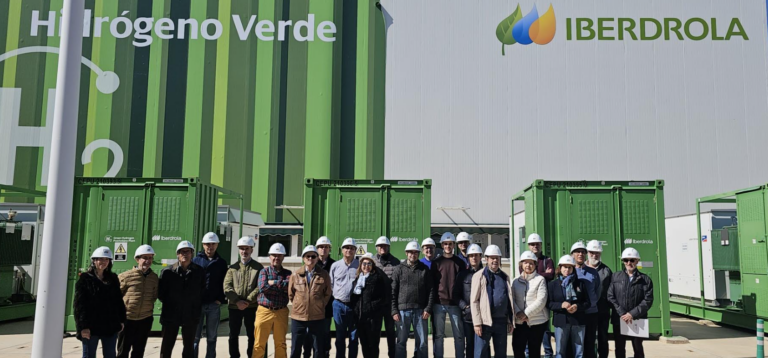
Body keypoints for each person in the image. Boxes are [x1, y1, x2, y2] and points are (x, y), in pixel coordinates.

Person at [74, 246, 127, 358]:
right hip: (91, 326)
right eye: (100, 259)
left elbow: (118, 301)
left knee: (110, 355)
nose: (104, 262)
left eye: (106, 259)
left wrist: (121, 320)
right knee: (89, 355)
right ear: (94, 260)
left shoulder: (113, 278)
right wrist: (83, 327)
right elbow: (79, 305)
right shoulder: (85, 279)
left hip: (110, 325)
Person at [159, 240, 205, 358]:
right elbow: (161, 294)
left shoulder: (199, 271)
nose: (185, 254)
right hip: (171, 315)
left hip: (191, 314)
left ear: (192, 253)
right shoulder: (167, 272)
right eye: (182, 252)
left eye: (187, 251)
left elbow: (202, 291)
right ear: (177, 254)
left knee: (189, 347)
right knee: (167, 346)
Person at [608, 248, 654, 358]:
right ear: (623, 261)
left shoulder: (645, 280)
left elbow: (648, 300)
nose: (629, 263)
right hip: (620, 319)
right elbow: (610, 296)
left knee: (638, 348)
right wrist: (622, 313)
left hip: (637, 319)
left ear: (637, 261)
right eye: (626, 260)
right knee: (619, 348)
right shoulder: (615, 277)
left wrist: (632, 314)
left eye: (632, 260)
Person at [392, 241, 435, 358]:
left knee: (422, 343)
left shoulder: (424, 269)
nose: (413, 255)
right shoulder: (398, 269)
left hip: (420, 311)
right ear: (406, 253)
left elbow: (431, 291)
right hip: (402, 311)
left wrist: (428, 309)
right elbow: (393, 292)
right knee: (401, 342)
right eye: (410, 252)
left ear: (418, 254)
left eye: (415, 252)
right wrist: (394, 310)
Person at [470, 245, 514, 358]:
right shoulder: (478, 276)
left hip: (501, 322)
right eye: (492, 258)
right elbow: (474, 301)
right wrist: (477, 323)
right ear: (486, 259)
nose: (495, 260)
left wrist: (510, 321)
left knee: (501, 354)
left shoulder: (505, 277)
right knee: (480, 354)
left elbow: (509, 300)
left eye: (497, 258)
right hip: (484, 323)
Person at [223, 236, 264, 358]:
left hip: (251, 307)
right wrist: (237, 301)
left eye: (247, 248)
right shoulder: (232, 268)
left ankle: (251, 355)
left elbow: (260, 286)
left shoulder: (258, 267)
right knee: (233, 334)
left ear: (252, 250)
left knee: (252, 335)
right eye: (241, 248)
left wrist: (246, 301)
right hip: (234, 308)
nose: (244, 251)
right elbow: (227, 286)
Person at [289, 245, 333, 358]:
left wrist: (321, 304)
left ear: (317, 258)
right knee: (296, 348)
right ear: (303, 258)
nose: (310, 259)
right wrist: (300, 305)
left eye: (313, 256)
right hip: (298, 317)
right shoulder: (295, 274)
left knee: (318, 348)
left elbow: (327, 293)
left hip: (317, 317)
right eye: (308, 256)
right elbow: (291, 294)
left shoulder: (324, 274)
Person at [117, 244, 158, 358]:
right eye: (145, 257)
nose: (147, 261)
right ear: (137, 259)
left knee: (139, 352)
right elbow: (116, 298)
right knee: (122, 352)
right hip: (127, 320)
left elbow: (154, 296)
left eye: (150, 258)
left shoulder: (154, 278)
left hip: (145, 320)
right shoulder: (125, 277)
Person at [253, 243, 292, 358]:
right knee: (259, 344)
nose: (276, 258)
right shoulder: (263, 272)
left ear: (283, 257)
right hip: (264, 311)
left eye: (279, 255)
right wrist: (281, 287)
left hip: (281, 311)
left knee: (281, 344)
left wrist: (273, 283)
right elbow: (263, 288)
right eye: (274, 255)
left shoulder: (288, 273)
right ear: (269, 256)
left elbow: (289, 286)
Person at [431, 232, 466, 358]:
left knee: (459, 336)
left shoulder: (460, 263)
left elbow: (463, 284)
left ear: (453, 245)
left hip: (455, 304)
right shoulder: (436, 263)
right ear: (442, 245)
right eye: (445, 244)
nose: (448, 246)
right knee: (439, 336)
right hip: (438, 304)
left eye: (450, 244)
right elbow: (433, 284)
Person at [193, 232, 228, 358]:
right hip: (198, 305)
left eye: (213, 244)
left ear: (217, 245)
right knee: (195, 337)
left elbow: (225, 283)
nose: (210, 247)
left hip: (213, 305)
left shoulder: (221, 263)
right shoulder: (196, 261)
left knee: (212, 337)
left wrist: (220, 299)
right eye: (207, 244)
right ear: (203, 245)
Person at [520, 233, 555, 358]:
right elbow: (525, 274)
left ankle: (548, 354)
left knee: (544, 328)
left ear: (541, 245)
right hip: (529, 301)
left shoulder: (547, 260)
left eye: (537, 244)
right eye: (532, 244)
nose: (535, 246)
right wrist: (543, 273)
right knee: (530, 329)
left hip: (543, 298)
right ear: (529, 246)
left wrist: (538, 274)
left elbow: (551, 275)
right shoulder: (525, 259)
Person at [548, 255, 590, 358]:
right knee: (560, 352)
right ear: (560, 268)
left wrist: (577, 306)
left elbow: (587, 302)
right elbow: (549, 303)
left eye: (569, 267)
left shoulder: (580, 283)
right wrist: (561, 305)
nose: (567, 269)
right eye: (564, 267)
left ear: (573, 268)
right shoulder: (552, 285)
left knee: (579, 352)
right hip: (561, 321)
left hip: (578, 320)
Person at [350, 253, 390, 358]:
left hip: (373, 318)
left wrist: (371, 307)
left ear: (373, 265)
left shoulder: (377, 278)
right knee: (364, 344)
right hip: (360, 318)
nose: (366, 266)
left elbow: (383, 297)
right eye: (364, 263)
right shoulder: (358, 279)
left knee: (373, 344)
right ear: (360, 265)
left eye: (369, 264)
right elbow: (355, 298)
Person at [512, 251, 550, 358]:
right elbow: (512, 299)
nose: (528, 265)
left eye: (531, 263)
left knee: (534, 351)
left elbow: (541, 300)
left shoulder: (540, 280)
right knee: (518, 349)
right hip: (519, 322)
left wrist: (526, 313)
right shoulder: (515, 281)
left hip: (537, 322)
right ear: (521, 265)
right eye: (525, 263)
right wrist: (518, 313)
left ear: (535, 265)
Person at [371, 236, 401, 358]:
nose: (382, 248)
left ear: (388, 247)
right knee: (375, 332)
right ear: (377, 247)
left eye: (385, 246)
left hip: (390, 303)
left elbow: (398, 283)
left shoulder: (396, 262)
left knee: (390, 333)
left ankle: (392, 355)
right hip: (376, 304)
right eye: (380, 246)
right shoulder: (371, 261)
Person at [330, 238, 360, 358]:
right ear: (342, 250)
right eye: (346, 248)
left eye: (352, 248)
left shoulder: (359, 265)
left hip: (354, 305)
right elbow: (331, 284)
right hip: (338, 305)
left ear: (355, 251)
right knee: (340, 336)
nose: (349, 250)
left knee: (354, 337)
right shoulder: (335, 266)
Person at [570, 241, 601, 358]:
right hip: (576, 313)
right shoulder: (569, 271)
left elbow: (597, 292)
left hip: (591, 313)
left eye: (583, 252)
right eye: (577, 252)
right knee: (576, 344)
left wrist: (591, 304)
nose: (580, 254)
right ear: (572, 254)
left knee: (590, 342)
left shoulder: (593, 272)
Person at [455, 244, 483, 358]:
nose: (474, 258)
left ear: (480, 257)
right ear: (468, 258)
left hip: (483, 316)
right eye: (471, 256)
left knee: (483, 345)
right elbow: (455, 295)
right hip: (468, 317)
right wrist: (464, 307)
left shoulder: (486, 274)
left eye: (476, 255)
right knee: (470, 344)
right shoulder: (462, 275)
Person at [586, 240, 612, 358]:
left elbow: (612, 292)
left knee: (603, 338)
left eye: (597, 252)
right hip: (586, 311)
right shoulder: (580, 269)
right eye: (592, 252)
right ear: (588, 252)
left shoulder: (606, 271)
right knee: (587, 338)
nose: (594, 255)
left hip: (602, 311)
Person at [311, 236, 336, 358]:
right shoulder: (312, 263)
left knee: (326, 332)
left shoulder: (334, 264)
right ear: (317, 249)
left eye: (326, 247)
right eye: (321, 247)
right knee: (314, 334)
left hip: (327, 306)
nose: (323, 249)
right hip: (313, 306)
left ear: (329, 249)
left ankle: (325, 354)